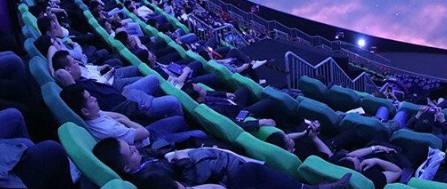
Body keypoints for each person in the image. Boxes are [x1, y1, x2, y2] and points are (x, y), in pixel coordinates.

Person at [93, 136, 352, 189]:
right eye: (131, 152)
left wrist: (173, 155)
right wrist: (183, 160)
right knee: (251, 171)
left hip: (207, 167)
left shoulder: (142, 164)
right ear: (126, 168)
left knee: (241, 159)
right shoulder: (151, 179)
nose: (136, 148)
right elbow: (187, 187)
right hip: (215, 180)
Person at [61, 84, 206, 147]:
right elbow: (144, 132)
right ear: (84, 111)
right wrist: (125, 120)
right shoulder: (109, 130)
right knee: (200, 134)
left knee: (179, 120)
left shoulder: (93, 113)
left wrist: (124, 120)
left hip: (135, 130)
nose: (95, 98)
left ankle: (181, 139)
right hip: (149, 143)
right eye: (90, 99)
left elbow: (117, 116)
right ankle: (180, 143)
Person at [52, 50, 182, 121]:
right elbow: (59, 74)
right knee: (173, 101)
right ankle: (177, 123)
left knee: (153, 79)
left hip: (124, 93)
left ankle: (158, 112)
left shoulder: (81, 79)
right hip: (127, 106)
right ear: (68, 70)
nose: (77, 64)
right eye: (74, 62)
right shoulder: (76, 91)